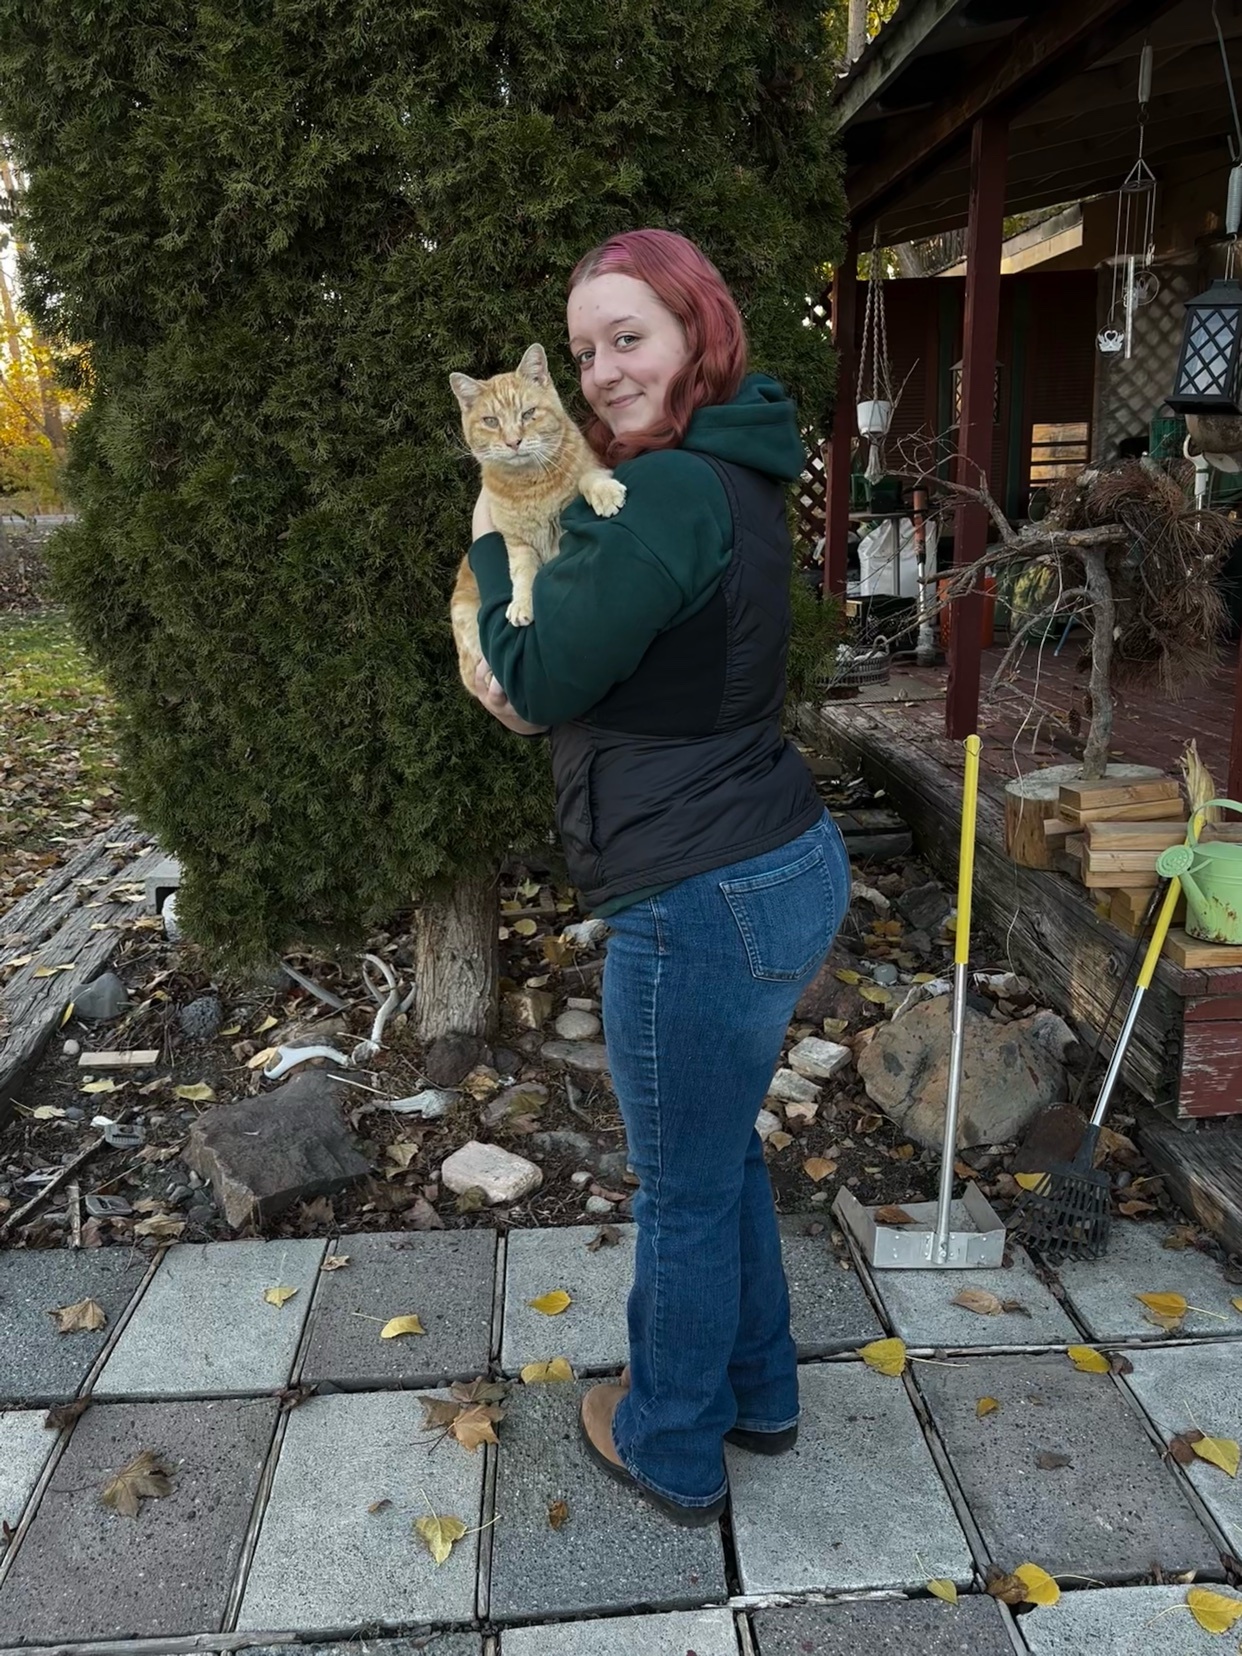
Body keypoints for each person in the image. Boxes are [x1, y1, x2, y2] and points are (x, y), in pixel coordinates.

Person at [466, 228, 851, 1526]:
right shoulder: (733, 471)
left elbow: (535, 676)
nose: (602, 370)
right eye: (584, 351)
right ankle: (759, 1389)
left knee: (682, 1186)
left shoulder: (677, 489)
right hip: (774, 859)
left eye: (627, 336)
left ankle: (671, 1439)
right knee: (719, 1153)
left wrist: (482, 565)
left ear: (697, 328)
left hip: (697, 892)